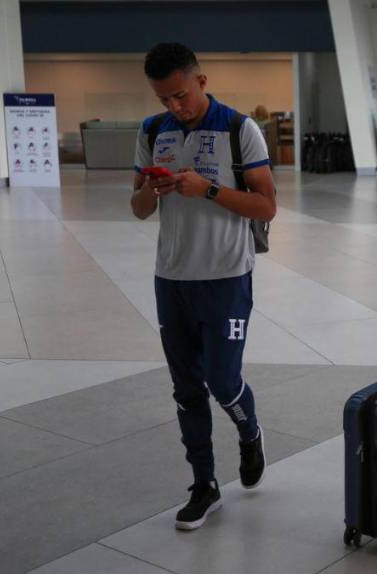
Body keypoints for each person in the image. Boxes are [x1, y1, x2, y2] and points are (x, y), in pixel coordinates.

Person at [130, 43, 277, 531]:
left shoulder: (239, 129)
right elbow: (137, 208)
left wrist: (208, 189)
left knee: (223, 380)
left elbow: (266, 206)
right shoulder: (153, 132)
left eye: (180, 95)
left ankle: (249, 431)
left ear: (201, 82)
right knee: (186, 388)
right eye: (163, 99)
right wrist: (150, 190)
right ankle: (204, 484)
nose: (174, 106)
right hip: (171, 279)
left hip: (225, 278)